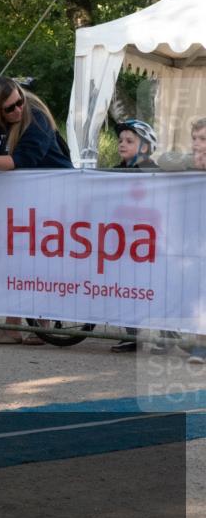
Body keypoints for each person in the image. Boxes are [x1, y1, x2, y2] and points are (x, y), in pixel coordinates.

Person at [0, 77, 72, 345]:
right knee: (12, 258)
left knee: (39, 260)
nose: (18, 110)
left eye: (19, 102)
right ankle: (15, 326)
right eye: (10, 108)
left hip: (55, 195)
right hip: (15, 203)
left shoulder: (37, 119)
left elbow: (22, 161)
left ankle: (41, 325)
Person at [108, 120, 158, 352]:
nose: (122, 144)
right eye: (120, 141)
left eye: (130, 141)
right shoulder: (116, 171)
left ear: (145, 147)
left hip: (151, 242)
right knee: (126, 288)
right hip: (125, 242)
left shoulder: (153, 173)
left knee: (157, 288)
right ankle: (132, 334)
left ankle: (168, 335)